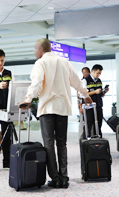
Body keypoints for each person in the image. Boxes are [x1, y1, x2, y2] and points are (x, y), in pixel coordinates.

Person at [19, 38, 92, 188]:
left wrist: (28, 99)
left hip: (47, 108)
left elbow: (36, 83)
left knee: (49, 144)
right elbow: (76, 81)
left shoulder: (40, 63)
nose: (34, 52)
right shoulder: (64, 61)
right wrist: (85, 95)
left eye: (35, 49)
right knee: (61, 143)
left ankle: (55, 178)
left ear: (41, 49)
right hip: (62, 107)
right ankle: (64, 178)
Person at [82, 64, 108, 138]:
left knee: (99, 124)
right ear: (93, 71)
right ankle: (86, 141)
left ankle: (98, 141)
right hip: (89, 106)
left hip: (98, 105)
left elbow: (100, 95)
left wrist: (104, 92)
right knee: (88, 124)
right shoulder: (85, 80)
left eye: (100, 73)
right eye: (97, 73)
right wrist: (95, 92)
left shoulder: (99, 81)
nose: (98, 75)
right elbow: (82, 94)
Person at [78, 67, 90, 139]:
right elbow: (78, 96)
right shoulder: (81, 82)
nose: (84, 73)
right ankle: (81, 137)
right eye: (83, 72)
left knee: (88, 121)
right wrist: (80, 106)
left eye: (85, 72)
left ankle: (88, 135)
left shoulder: (90, 81)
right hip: (82, 103)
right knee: (82, 120)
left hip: (89, 103)